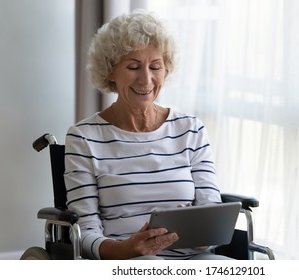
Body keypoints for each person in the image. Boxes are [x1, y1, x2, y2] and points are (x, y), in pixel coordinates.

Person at [64, 10, 230, 260]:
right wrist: (126, 249)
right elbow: (84, 233)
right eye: (133, 67)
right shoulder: (84, 138)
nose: (146, 79)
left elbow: (210, 209)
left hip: (193, 257)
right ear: (110, 70)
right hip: (126, 259)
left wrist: (200, 236)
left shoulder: (191, 129)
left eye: (155, 67)